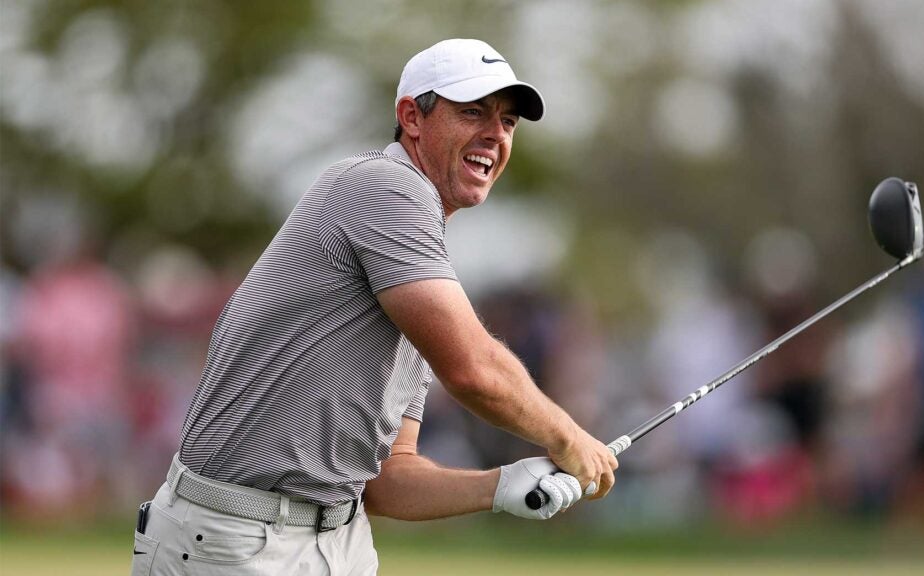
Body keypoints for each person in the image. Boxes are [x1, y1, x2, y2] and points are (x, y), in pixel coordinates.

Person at [131, 38, 617, 576]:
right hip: (231, 542)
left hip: (339, 544)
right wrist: (569, 436)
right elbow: (472, 369)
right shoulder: (384, 186)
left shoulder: (416, 270)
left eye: (507, 122)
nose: (494, 135)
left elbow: (387, 481)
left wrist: (499, 487)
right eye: (473, 112)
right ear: (411, 116)